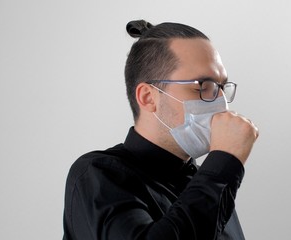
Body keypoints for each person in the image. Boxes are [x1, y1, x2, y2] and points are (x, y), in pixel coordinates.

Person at [63, 19, 259, 240]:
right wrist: (224, 162)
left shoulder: (204, 180)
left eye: (221, 87)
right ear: (148, 97)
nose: (221, 103)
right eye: (203, 86)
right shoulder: (98, 174)